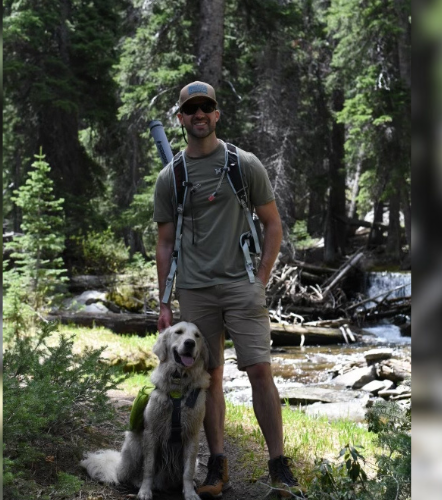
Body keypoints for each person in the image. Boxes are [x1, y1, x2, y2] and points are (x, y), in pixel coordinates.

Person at [153, 81, 305, 499]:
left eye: (207, 108)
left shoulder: (244, 164)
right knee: (209, 379)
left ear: (217, 114)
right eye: (191, 109)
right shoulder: (172, 176)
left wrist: (260, 280)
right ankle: (217, 465)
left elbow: (272, 224)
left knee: (259, 371)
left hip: (241, 286)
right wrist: (164, 301)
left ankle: (279, 466)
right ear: (180, 118)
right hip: (195, 291)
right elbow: (165, 243)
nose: (199, 115)